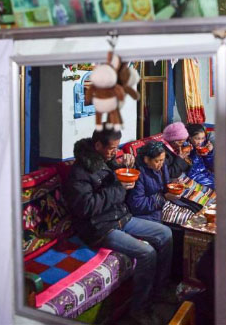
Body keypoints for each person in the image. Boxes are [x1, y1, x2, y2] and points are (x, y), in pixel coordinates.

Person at [63, 129, 173, 325]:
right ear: (98, 146)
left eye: (117, 148)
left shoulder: (107, 161)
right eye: (112, 148)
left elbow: (118, 187)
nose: (115, 152)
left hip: (121, 217)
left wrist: (123, 167)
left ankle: (159, 290)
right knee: (147, 253)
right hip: (99, 228)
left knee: (165, 233)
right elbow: (86, 208)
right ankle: (139, 308)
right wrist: (118, 187)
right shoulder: (80, 172)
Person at [126, 141, 170, 222]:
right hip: (147, 213)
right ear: (146, 160)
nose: (161, 164)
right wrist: (162, 198)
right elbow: (137, 204)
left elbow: (165, 186)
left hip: (161, 205)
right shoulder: (138, 174)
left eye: (162, 160)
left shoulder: (161, 166)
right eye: (157, 161)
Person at [186, 123, 214, 189]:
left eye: (202, 138)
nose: (200, 142)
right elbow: (190, 167)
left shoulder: (204, 144)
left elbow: (211, 165)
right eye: (197, 138)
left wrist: (210, 152)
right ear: (190, 137)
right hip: (195, 174)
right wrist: (196, 155)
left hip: (206, 171)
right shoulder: (186, 147)